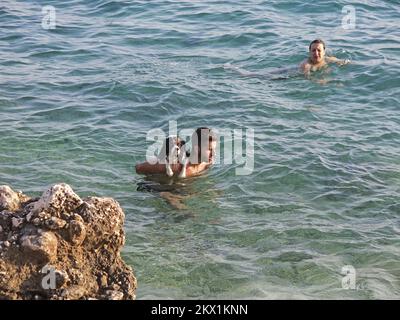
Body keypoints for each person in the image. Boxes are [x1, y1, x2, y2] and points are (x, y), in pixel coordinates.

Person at [135, 127, 217, 178]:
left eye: (214, 149)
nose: (213, 154)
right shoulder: (176, 166)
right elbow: (139, 168)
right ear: (196, 148)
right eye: (209, 149)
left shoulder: (206, 164)